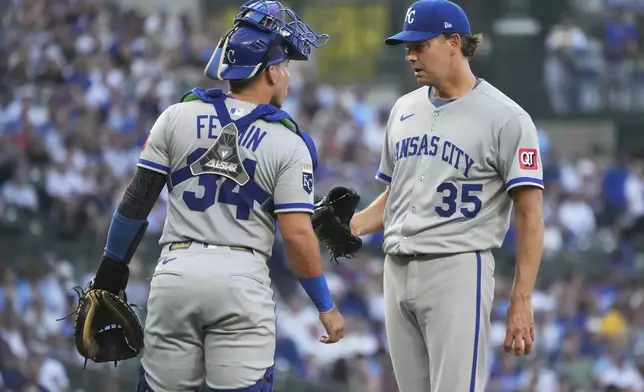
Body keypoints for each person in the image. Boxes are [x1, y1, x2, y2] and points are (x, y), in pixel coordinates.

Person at [86, 1, 346, 391]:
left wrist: (110, 272)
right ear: (272, 73)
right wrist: (325, 305)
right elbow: (295, 236)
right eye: (286, 68)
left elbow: (136, 200)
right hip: (241, 280)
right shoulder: (290, 141)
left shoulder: (176, 115)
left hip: (176, 273)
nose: (288, 78)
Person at [349, 1, 544, 391]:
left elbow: (529, 214)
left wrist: (521, 299)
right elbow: (397, 195)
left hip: (456, 268)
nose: (410, 56)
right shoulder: (404, 108)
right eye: (407, 47)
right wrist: (350, 226)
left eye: (420, 45)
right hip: (397, 269)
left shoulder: (506, 118)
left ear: (454, 42)